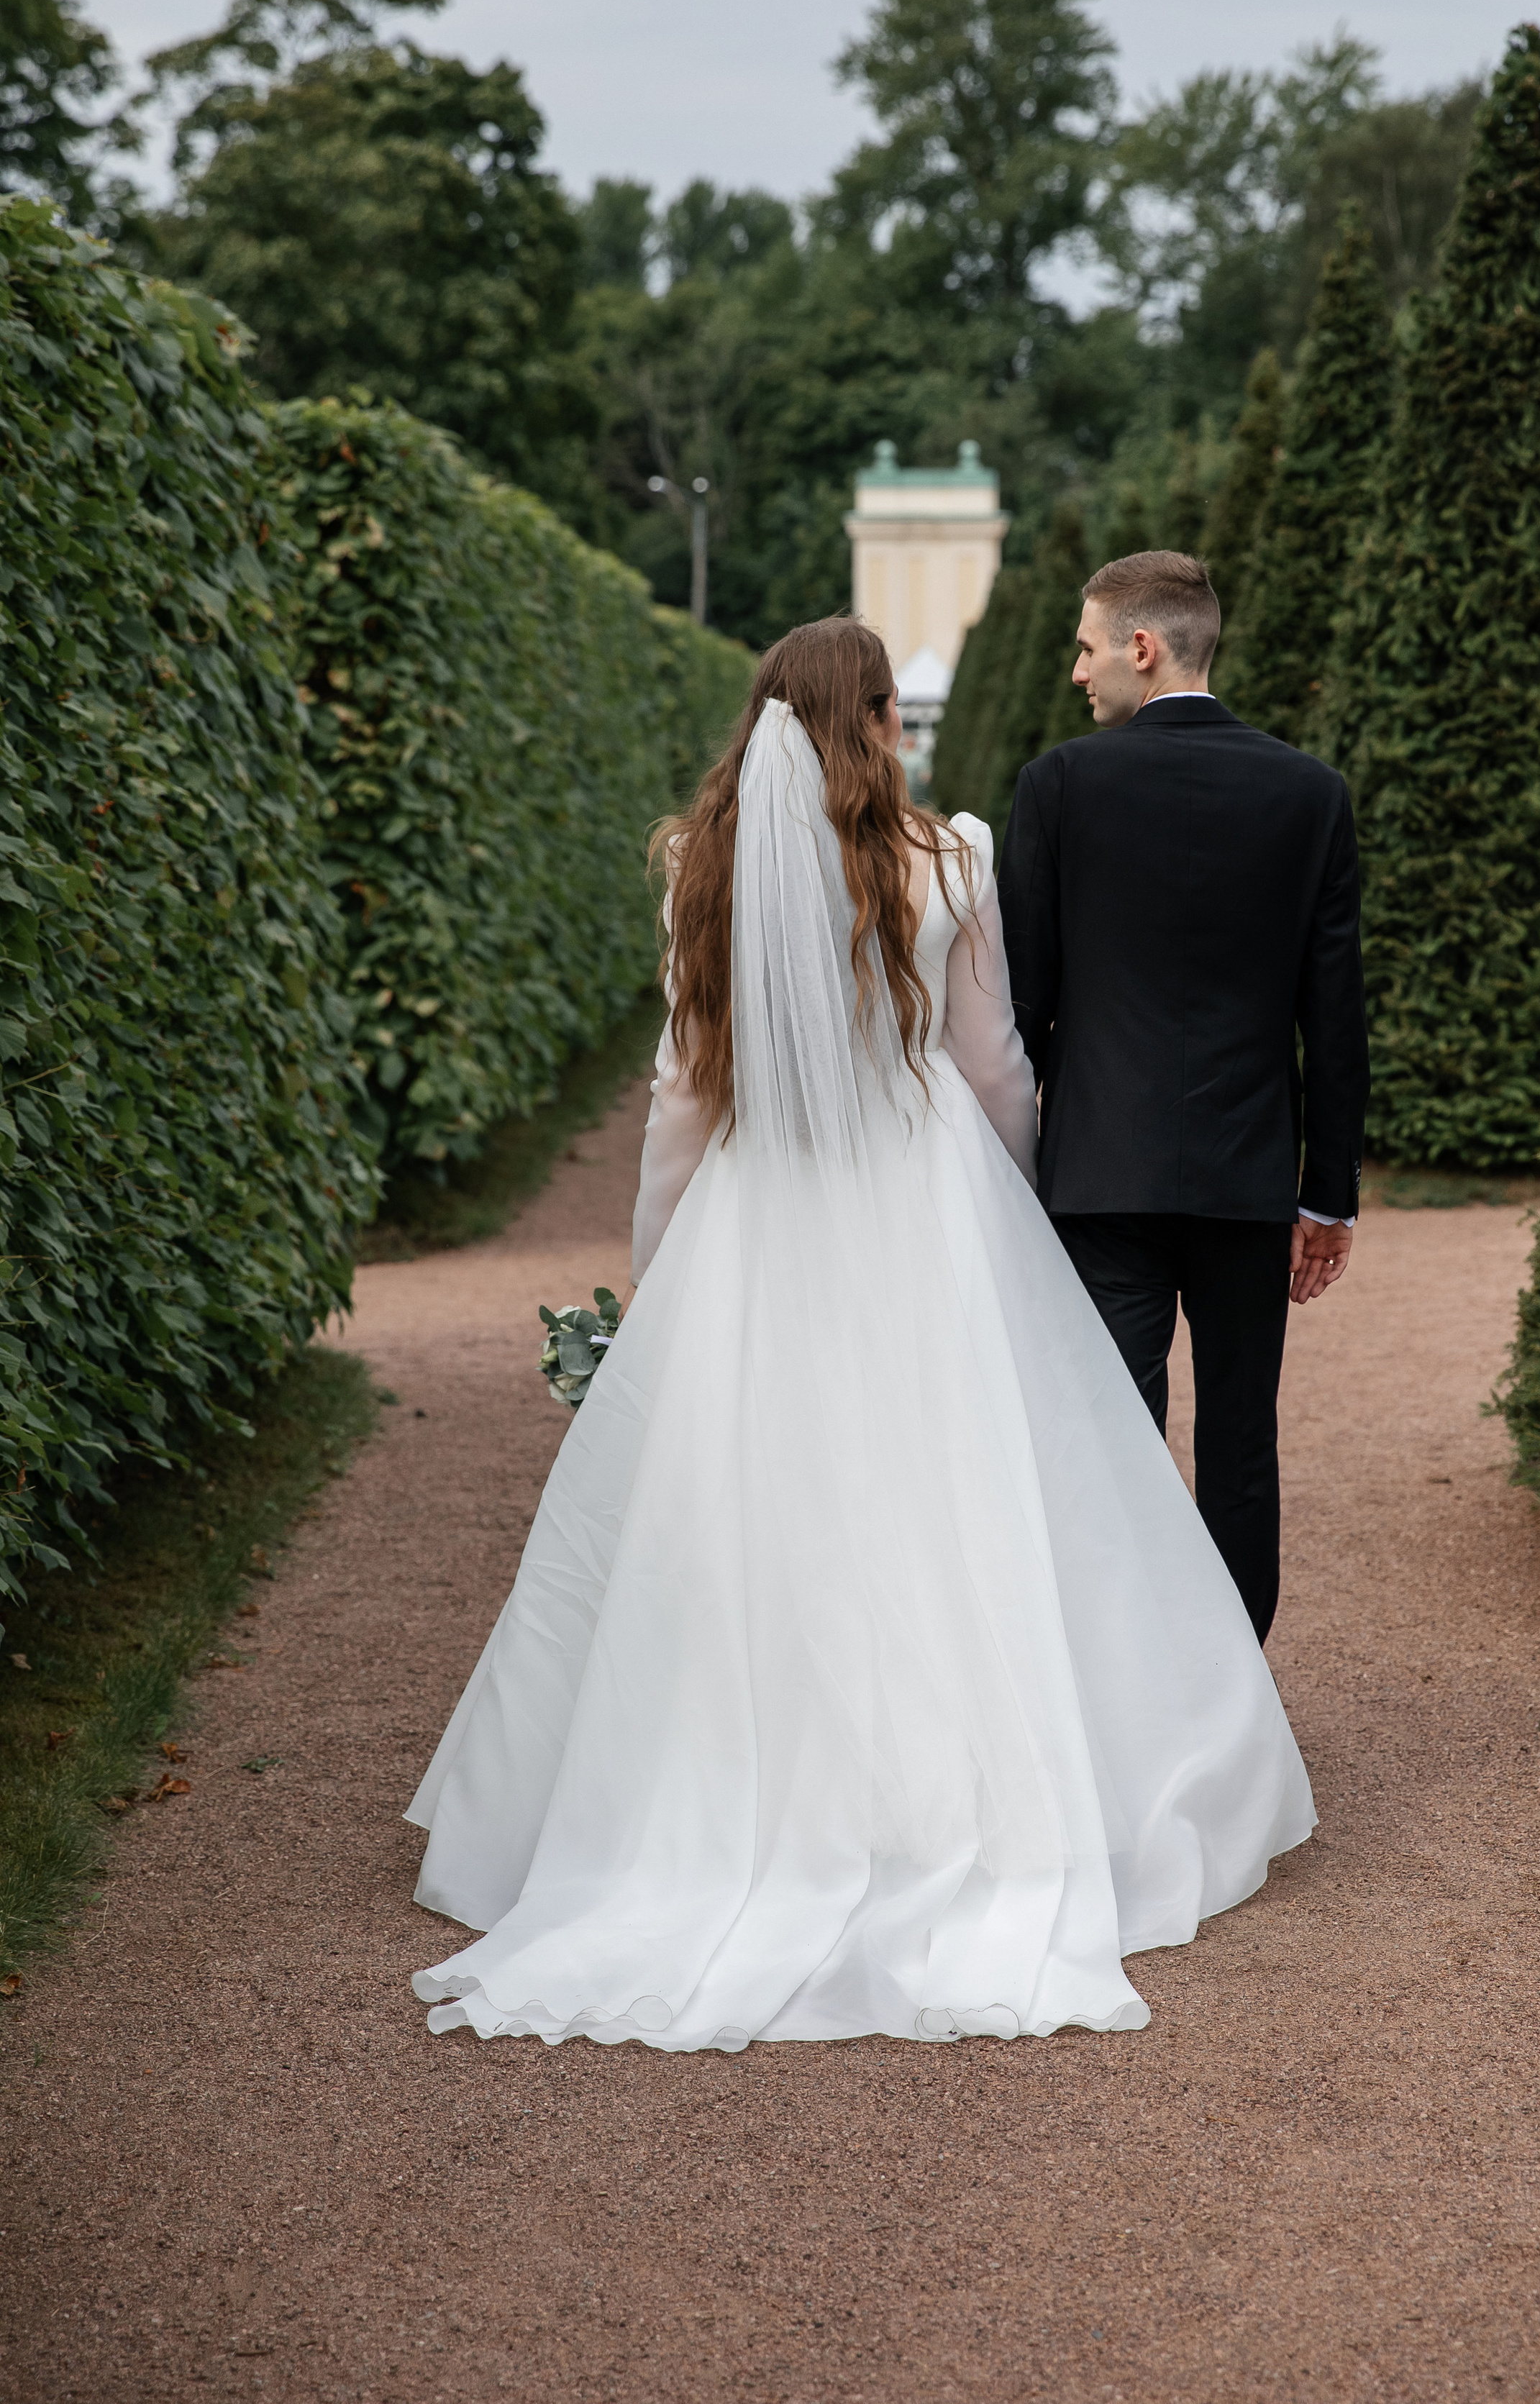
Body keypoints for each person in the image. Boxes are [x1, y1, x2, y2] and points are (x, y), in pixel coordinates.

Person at [406, 616, 1313, 2051]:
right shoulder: (947, 856)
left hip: (760, 1209)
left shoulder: (696, 872)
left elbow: (684, 1095)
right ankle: (965, 1804)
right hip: (926, 1192)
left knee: (765, 1510)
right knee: (959, 1497)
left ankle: (732, 1807)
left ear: (765, 721)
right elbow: (995, 1063)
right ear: (878, 718)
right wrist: (1021, 1214)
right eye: (890, 708)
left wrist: (656, 1282)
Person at [998, 550, 1369, 1647]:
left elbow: (1023, 1007)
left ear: (1142, 648)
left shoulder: (1058, 786)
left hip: (1099, 1177)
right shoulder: (1312, 795)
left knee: (1112, 1433)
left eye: (1085, 644)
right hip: (1248, 1181)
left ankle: (1124, 1693)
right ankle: (1234, 1699)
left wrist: (1018, 1168)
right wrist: (1329, 1197)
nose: (1077, 670)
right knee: (1241, 1445)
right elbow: (1334, 1016)